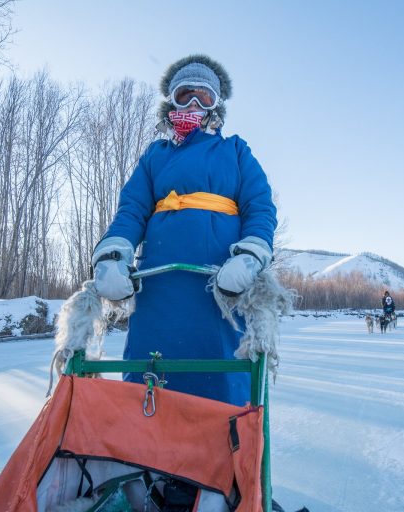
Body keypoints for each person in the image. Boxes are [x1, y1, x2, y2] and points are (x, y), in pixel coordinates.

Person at [91, 55, 277, 407]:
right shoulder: (154, 156)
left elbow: (260, 208)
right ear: (170, 100)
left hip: (221, 288)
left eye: (203, 96)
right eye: (184, 94)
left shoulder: (236, 151)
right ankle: (146, 447)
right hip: (159, 287)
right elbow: (131, 211)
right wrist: (113, 255)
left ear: (216, 104)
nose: (193, 104)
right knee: (152, 367)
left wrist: (250, 256)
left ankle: (224, 450)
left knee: (221, 373)